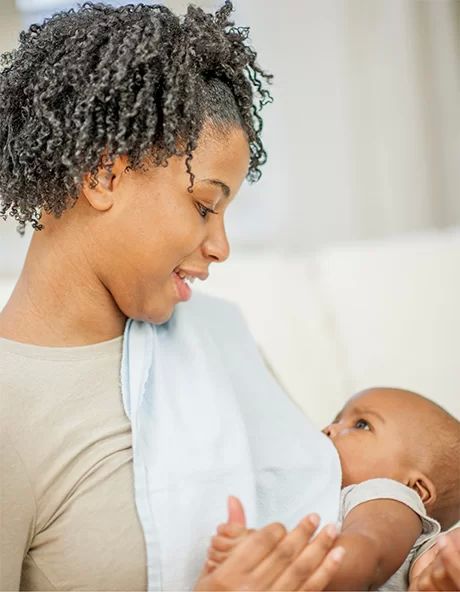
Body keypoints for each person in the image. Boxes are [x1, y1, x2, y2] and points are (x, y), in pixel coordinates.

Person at [0, 2, 344, 590]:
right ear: (103, 175)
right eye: (205, 205)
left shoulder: (216, 338)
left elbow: (325, 483)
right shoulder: (12, 412)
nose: (221, 247)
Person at [204, 387, 460, 590]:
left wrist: (277, 561)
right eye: (337, 419)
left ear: (415, 488)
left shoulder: (389, 495)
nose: (331, 428)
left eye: (361, 424)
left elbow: (370, 552)